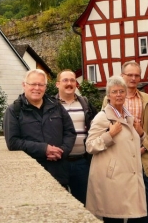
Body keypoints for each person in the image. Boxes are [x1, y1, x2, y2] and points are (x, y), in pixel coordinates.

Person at [86, 75, 146, 222]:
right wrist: (110, 135)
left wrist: (141, 134)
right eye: (114, 92)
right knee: (114, 218)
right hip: (113, 179)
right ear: (108, 95)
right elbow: (90, 145)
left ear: (126, 94)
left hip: (130, 176)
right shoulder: (103, 117)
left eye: (121, 91)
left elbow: (131, 142)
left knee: (134, 216)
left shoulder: (128, 117)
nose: (118, 95)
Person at [4, 69, 76, 188]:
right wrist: (44, 149)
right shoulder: (14, 110)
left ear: (45, 87)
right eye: (33, 84)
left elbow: (70, 132)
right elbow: (13, 142)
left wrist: (61, 151)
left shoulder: (56, 106)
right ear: (24, 85)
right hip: (30, 174)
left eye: (41, 85)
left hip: (58, 171)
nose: (37, 88)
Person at [119, 61, 148, 223]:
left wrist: (145, 146)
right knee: (125, 200)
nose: (133, 78)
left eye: (136, 75)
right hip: (122, 157)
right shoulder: (113, 97)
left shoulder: (147, 99)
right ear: (122, 76)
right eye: (129, 75)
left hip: (144, 157)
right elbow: (107, 125)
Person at [55, 69, 97, 205]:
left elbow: (96, 125)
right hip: (59, 162)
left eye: (72, 80)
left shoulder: (85, 103)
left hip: (81, 162)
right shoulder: (50, 105)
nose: (69, 83)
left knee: (82, 204)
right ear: (57, 84)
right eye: (65, 80)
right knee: (60, 204)